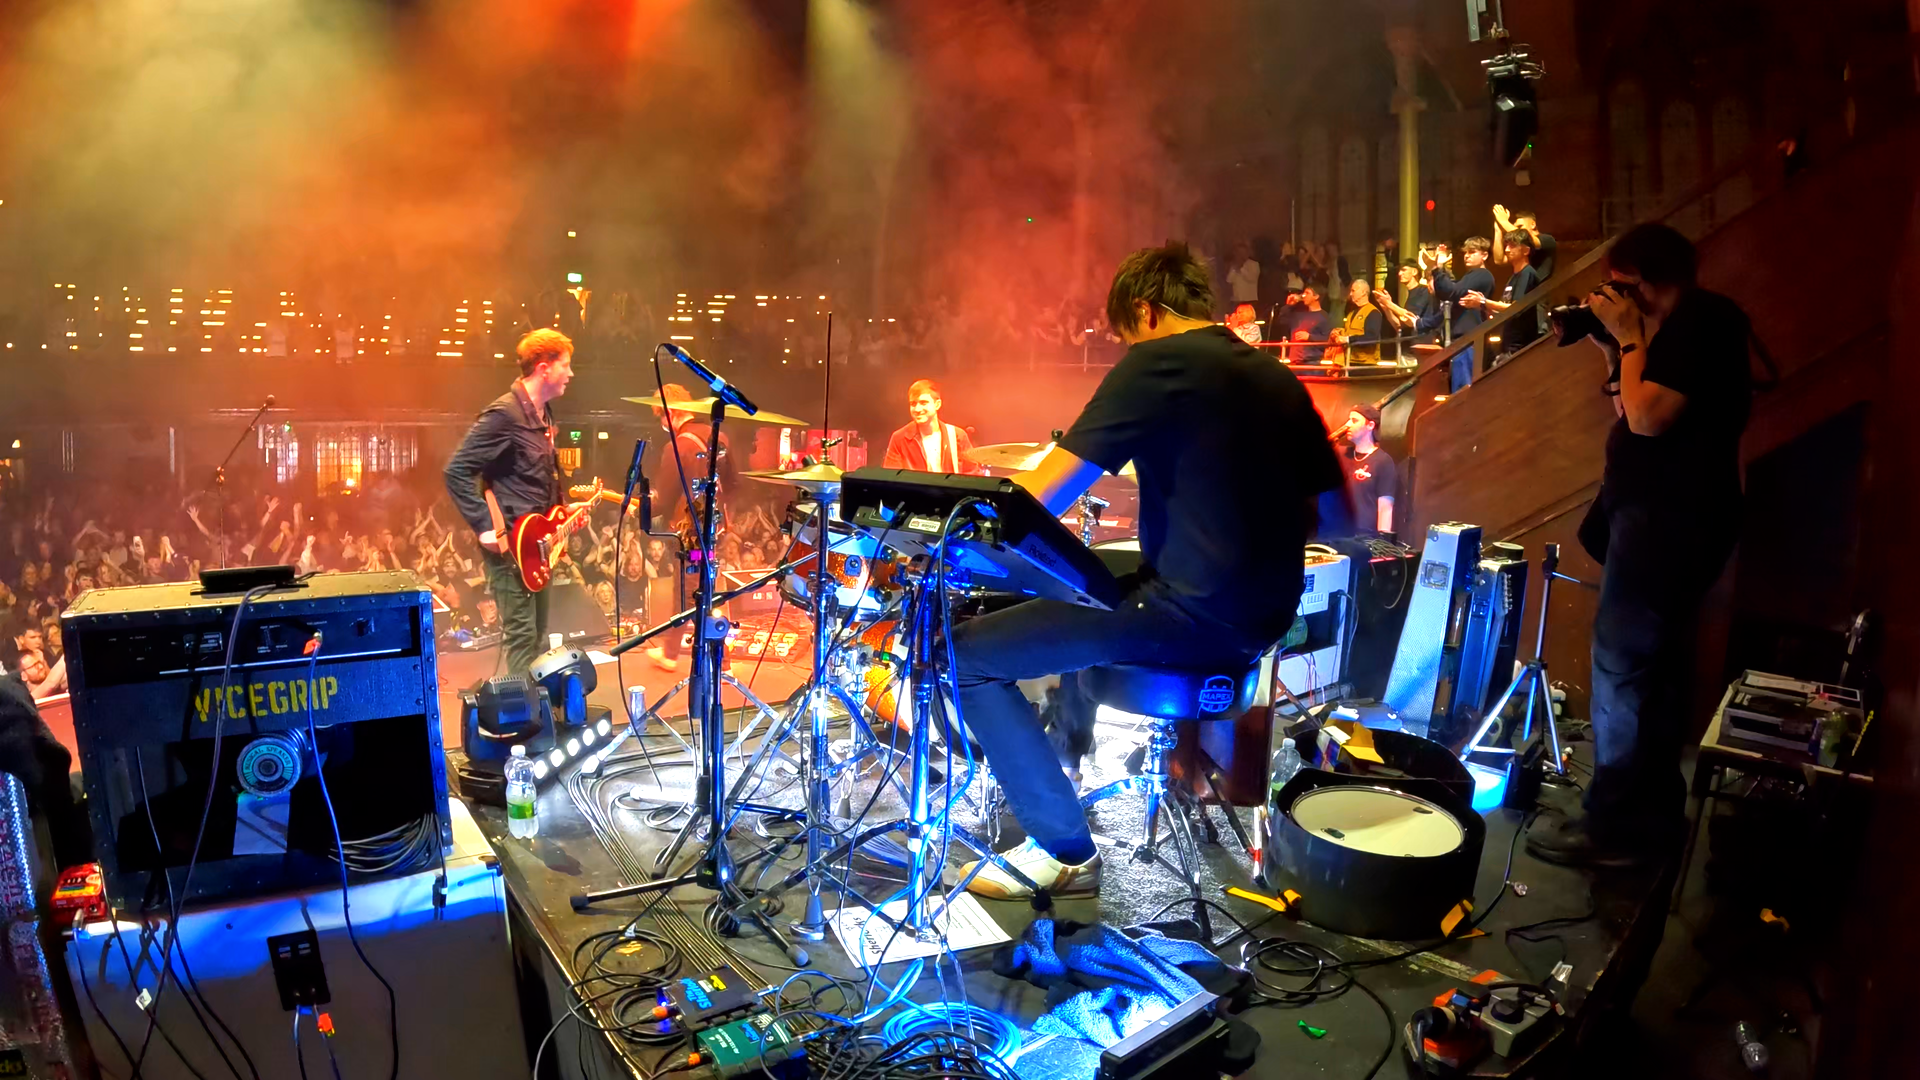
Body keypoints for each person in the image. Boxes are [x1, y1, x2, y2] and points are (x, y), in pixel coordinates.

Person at [949, 243, 1346, 898]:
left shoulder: (1158, 363)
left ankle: (1064, 850)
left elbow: (1039, 499)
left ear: (1144, 309)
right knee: (1084, 582)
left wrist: (948, 527)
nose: (1125, 348)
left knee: (962, 655)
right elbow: (1320, 511)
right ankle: (1068, 751)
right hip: (1270, 611)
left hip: (1193, 615)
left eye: (1124, 334)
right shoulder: (1275, 377)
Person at [1526, 224, 1753, 868]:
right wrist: (1613, 349)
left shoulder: (1702, 324)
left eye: (1622, 285)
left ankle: (1616, 830)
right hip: (1662, 521)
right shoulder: (1677, 331)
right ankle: (1649, 820)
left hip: (1670, 523)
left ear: (1648, 280)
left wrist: (1629, 338)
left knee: (1623, 672)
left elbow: (1650, 420)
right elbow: (1630, 410)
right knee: (1648, 673)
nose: (1615, 297)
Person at [444, 328, 574, 676]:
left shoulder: (545, 415)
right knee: (521, 637)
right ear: (544, 368)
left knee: (538, 636)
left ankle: (535, 711)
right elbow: (455, 471)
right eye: (566, 365)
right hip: (510, 548)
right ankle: (523, 722)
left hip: (538, 544)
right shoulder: (503, 415)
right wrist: (483, 526)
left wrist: (564, 509)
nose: (571, 374)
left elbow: (540, 477)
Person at [1430, 237, 1497, 391]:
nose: (1467, 255)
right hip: (1466, 339)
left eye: (1472, 252)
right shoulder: (1472, 275)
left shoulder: (1482, 274)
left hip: (1469, 340)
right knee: (1460, 388)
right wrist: (1438, 269)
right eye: (1465, 253)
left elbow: (1451, 292)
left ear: (1484, 256)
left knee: (1463, 390)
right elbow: (1447, 292)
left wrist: (1440, 267)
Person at [1467, 229, 1545, 354]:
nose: (1507, 250)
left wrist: (1484, 301)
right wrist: (1482, 305)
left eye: (1513, 246)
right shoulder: (1513, 278)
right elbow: (1504, 310)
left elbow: (1515, 307)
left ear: (1526, 250)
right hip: (1508, 343)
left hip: (1520, 344)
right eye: (1506, 246)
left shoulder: (1528, 273)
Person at [882, 380, 983, 474]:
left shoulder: (957, 436)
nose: (917, 409)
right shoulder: (899, 438)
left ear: (937, 404)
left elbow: (974, 477)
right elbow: (891, 480)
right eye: (913, 404)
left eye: (923, 403)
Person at [1338, 404, 1396, 534]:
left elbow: (1385, 508)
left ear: (1370, 425)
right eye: (1348, 419)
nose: (1348, 424)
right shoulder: (1342, 455)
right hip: (1338, 536)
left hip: (1365, 538)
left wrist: (1382, 544)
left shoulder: (1383, 461)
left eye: (1354, 420)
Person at [1493, 205, 1556, 281]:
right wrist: (1498, 231)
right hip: (1523, 286)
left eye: (1520, 226)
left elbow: (1526, 238)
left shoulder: (1548, 239)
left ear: (1533, 224)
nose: (1517, 230)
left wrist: (1504, 222)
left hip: (1540, 290)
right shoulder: (1520, 245)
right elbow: (1499, 260)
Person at [1330, 278, 1385, 365]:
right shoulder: (1350, 314)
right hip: (1349, 360)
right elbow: (1349, 332)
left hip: (1366, 363)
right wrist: (1339, 333)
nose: (1351, 294)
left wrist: (1347, 339)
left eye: (1353, 291)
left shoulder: (1373, 312)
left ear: (1363, 292)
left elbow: (1371, 337)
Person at [1285, 284, 1331, 364]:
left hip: (1312, 362)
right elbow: (1282, 321)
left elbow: (1328, 341)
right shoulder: (1298, 314)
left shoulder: (1324, 317)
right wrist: (1288, 305)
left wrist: (1309, 337)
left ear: (1316, 296)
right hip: (1294, 361)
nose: (1303, 295)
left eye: (1307, 293)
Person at [1224, 240, 1261, 309]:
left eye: (1242, 252)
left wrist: (1241, 268)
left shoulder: (1254, 264)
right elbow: (1229, 280)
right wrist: (1234, 268)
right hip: (1236, 300)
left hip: (1250, 300)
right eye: (1238, 253)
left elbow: (1252, 278)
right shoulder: (1234, 265)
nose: (1240, 255)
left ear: (1247, 253)